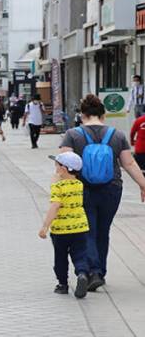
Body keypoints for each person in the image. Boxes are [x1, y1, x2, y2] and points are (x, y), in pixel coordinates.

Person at [60, 94, 145, 292]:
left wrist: (59, 193)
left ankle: (92, 271)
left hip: (82, 189)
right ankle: (100, 272)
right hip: (111, 189)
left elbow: (64, 165)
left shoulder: (73, 134)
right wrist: (143, 185)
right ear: (103, 115)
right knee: (103, 230)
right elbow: (129, 163)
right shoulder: (117, 135)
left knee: (87, 230)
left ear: (83, 115)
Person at [38, 152, 90, 298]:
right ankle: (82, 273)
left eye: (57, 165)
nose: (55, 167)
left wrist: (45, 226)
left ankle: (62, 285)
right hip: (80, 227)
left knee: (60, 257)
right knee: (80, 254)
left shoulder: (58, 187)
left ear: (64, 169)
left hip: (61, 229)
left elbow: (55, 206)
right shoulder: (79, 185)